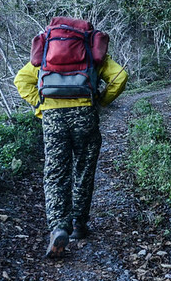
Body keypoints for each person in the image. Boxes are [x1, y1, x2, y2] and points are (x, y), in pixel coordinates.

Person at [14, 27, 128, 258]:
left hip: (53, 118)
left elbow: (21, 80)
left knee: (56, 173)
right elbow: (120, 77)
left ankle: (58, 226)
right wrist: (101, 102)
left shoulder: (48, 52)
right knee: (84, 169)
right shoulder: (90, 49)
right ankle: (78, 224)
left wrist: (41, 106)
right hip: (85, 114)